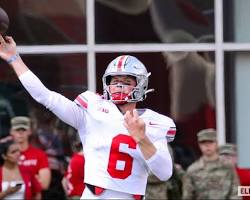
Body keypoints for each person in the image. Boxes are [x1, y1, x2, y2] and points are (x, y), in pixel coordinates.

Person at [0, 35, 176, 199]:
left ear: (141, 86)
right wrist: (14, 59)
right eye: (115, 81)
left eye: (127, 82)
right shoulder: (92, 110)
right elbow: (46, 96)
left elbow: (165, 173)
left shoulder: (154, 123)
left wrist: (142, 138)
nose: (119, 86)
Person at [182, 129, 241, 200]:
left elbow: (235, 193)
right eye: (203, 142)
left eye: (210, 142)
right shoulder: (192, 170)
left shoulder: (227, 167)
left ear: (216, 143)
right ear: (199, 145)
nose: (207, 145)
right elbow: (188, 196)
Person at [9, 116, 51, 191]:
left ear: (30, 131)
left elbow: (44, 184)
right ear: (11, 131)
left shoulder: (40, 154)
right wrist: (33, 179)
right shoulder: (5, 155)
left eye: (24, 129)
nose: (20, 133)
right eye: (17, 129)